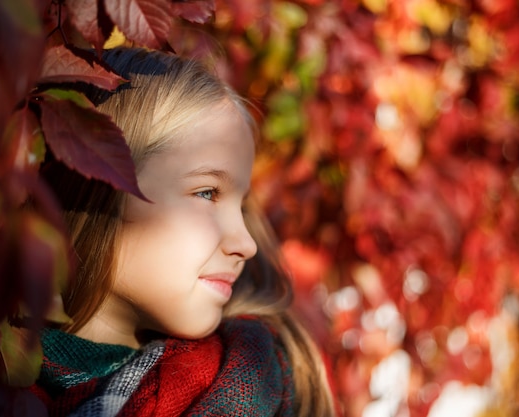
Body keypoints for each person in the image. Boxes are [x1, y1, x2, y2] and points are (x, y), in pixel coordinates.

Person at [30, 46, 335, 417]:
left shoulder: (268, 389)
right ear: (99, 181)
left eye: (240, 206)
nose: (247, 243)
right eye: (207, 193)